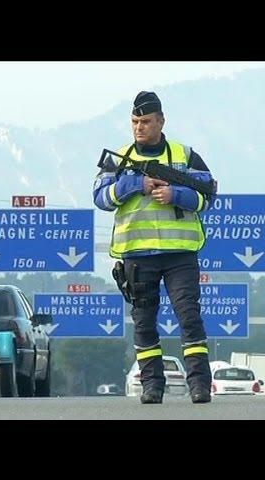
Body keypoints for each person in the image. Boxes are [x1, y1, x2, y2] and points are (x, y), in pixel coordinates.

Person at [93, 91, 216, 404]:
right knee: (145, 323)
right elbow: (101, 198)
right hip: (137, 255)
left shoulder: (184, 155)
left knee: (189, 318)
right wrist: (137, 184)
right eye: (135, 122)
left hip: (180, 255)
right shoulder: (119, 159)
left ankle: (200, 386)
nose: (139, 127)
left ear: (161, 121)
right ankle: (152, 387)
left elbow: (207, 195)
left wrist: (177, 195)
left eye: (145, 121)